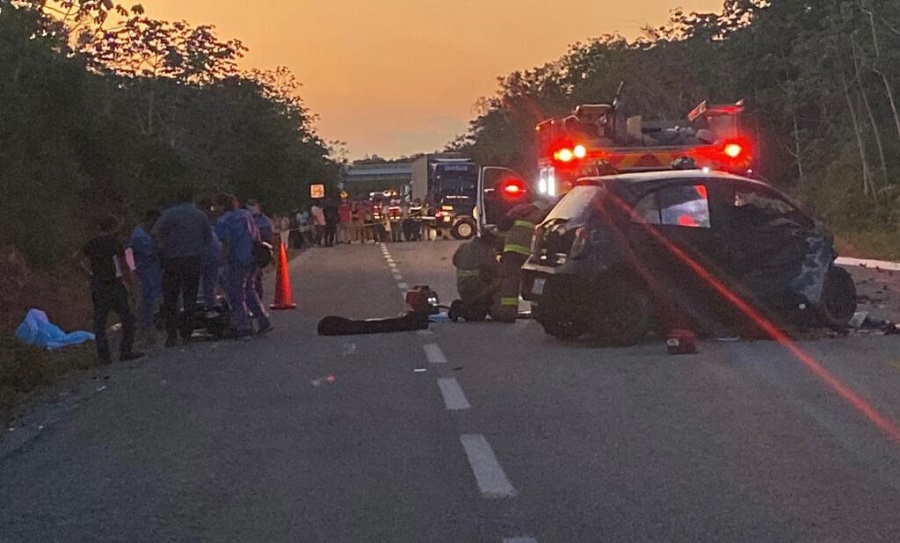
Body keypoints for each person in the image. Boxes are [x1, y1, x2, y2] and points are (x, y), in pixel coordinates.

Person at [81, 215, 144, 365]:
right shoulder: (115, 243)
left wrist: (89, 274)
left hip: (98, 285)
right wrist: (133, 287)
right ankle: (125, 351)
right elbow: (124, 267)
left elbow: (75, 259)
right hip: (114, 285)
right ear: (113, 227)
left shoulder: (92, 243)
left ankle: (105, 357)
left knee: (100, 323)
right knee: (128, 319)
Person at [152, 188, 211, 346]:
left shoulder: (169, 214)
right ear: (192, 198)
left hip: (172, 261)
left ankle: (171, 334)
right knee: (190, 298)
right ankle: (187, 333)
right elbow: (208, 237)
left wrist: (162, 248)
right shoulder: (200, 215)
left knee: (171, 298)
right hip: (193, 261)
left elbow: (155, 232)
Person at [214, 193, 272, 338]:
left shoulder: (223, 221)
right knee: (249, 289)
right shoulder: (245, 215)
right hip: (252, 257)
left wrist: (221, 261)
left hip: (236, 260)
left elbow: (226, 243)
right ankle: (263, 320)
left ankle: (243, 327)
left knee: (236, 294)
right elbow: (255, 234)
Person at [494, 200, 551, 322]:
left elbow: (502, 224)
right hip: (530, 254)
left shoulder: (520, 209)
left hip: (511, 251)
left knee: (510, 283)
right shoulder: (547, 214)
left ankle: (507, 314)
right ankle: (538, 313)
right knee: (536, 283)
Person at [129, 210, 162, 347]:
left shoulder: (143, 233)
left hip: (151, 270)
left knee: (150, 300)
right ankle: (146, 330)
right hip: (145, 270)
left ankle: (148, 330)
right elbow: (152, 252)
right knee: (147, 302)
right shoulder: (140, 237)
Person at [449, 234, 500, 322]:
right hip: (476, 288)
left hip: (462, 287)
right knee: (500, 281)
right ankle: (496, 308)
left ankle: (465, 306)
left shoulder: (464, 246)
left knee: (477, 314)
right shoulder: (486, 251)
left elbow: (455, 261)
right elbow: (497, 269)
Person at [247, 198, 275, 299]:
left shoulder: (263, 220)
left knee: (254, 277)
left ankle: (257, 299)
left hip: (258, 251)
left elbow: (269, 237)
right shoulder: (250, 219)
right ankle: (257, 299)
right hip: (254, 251)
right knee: (254, 277)